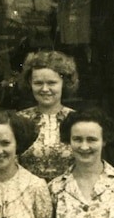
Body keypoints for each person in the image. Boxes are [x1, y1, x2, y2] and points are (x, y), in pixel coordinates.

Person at [17, 50, 79, 181]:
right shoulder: (19, 120)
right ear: (30, 83)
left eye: (52, 83)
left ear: (64, 83)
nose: (45, 89)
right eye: (38, 83)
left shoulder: (77, 120)